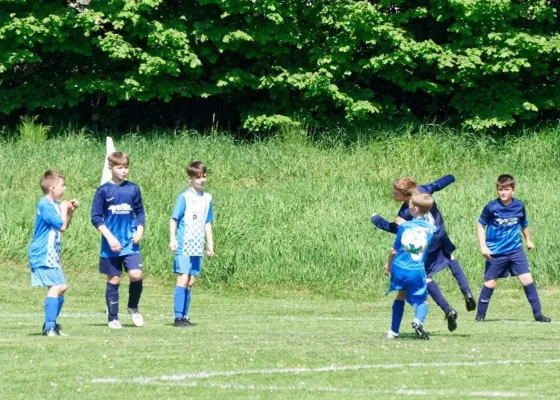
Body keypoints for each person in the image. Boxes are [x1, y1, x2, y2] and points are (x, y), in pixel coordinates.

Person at [372, 175, 475, 332]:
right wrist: (452, 177)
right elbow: (437, 184)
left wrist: (377, 220)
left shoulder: (407, 209)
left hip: (426, 242)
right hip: (439, 233)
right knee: (450, 258)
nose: (393, 194)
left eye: (396, 193)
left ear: (407, 196)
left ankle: (448, 310)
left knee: (425, 277)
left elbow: (396, 229)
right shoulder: (423, 191)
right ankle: (466, 291)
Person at [475, 174, 550, 322]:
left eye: (506, 189)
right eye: (500, 189)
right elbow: (480, 225)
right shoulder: (491, 207)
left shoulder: (519, 205)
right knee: (491, 283)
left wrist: (529, 240)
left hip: (515, 250)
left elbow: (524, 224)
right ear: (497, 190)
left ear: (513, 190)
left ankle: (538, 315)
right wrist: (483, 246)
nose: (503, 192)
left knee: (527, 279)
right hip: (495, 252)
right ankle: (480, 316)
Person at [91, 152, 145, 329]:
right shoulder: (103, 191)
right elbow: (96, 218)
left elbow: (140, 212)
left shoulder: (133, 189)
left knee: (136, 275)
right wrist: (110, 237)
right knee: (114, 279)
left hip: (130, 243)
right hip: (111, 245)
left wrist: (140, 229)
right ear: (110, 168)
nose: (124, 171)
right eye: (119, 167)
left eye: (126, 167)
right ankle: (113, 318)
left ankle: (133, 307)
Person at [28, 170, 79, 336]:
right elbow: (61, 226)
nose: (64, 189)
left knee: (62, 287)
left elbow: (64, 225)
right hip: (42, 252)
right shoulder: (45, 205)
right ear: (52, 188)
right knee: (57, 287)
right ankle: (50, 327)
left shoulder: (54, 205)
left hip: (51, 254)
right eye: (62, 186)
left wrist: (69, 210)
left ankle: (51, 325)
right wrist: (64, 207)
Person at [384, 191, 437, 340]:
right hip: (416, 269)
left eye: (410, 205)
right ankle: (418, 320)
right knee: (423, 300)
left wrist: (388, 265)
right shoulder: (431, 229)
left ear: (414, 209)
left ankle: (393, 331)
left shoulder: (404, 226)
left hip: (399, 268)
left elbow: (394, 250)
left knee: (401, 294)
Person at [169, 161, 214, 327]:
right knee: (183, 278)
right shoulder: (184, 197)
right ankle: (178, 317)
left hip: (197, 245)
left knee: (191, 281)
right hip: (184, 244)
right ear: (190, 179)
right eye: (198, 177)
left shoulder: (207, 198)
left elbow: (207, 222)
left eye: (204, 177)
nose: (201, 180)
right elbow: (174, 219)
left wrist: (210, 244)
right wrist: (173, 239)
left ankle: (185, 316)